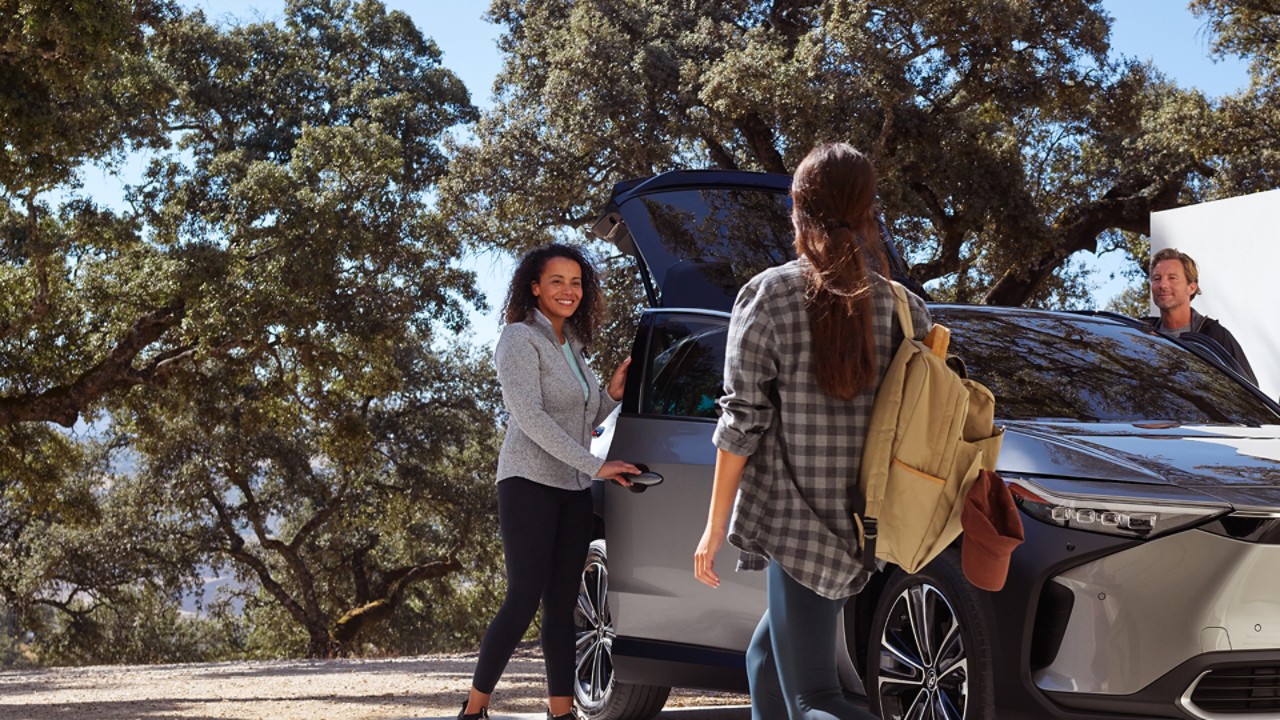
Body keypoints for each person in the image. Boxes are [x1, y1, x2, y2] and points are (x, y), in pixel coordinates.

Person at [693, 143, 931, 720]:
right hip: (867, 526)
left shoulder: (770, 295)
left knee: (814, 699)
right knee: (765, 663)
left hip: (797, 524)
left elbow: (742, 420)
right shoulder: (904, 308)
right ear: (869, 211)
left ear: (797, 208)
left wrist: (713, 526)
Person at [459, 244, 639, 720]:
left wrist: (611, 395)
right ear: (534, 287)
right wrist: (595, 464)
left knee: (561, 605)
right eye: (557, 281)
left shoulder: (572, 344)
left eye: (576, 282)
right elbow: (532, 419)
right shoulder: (518, 339)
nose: (569, 290)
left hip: (573, 487)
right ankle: (474, 710)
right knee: (523, 598)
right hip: (528, 483)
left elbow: (584, 414)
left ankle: (562, 714)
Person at [1144, 247, 1258, 385]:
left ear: (1191, 287)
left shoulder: (1215, 335)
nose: (1163, 285)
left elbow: (1250, 395)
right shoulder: (1143, 333)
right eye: (1157, 278)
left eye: (1172, 278)